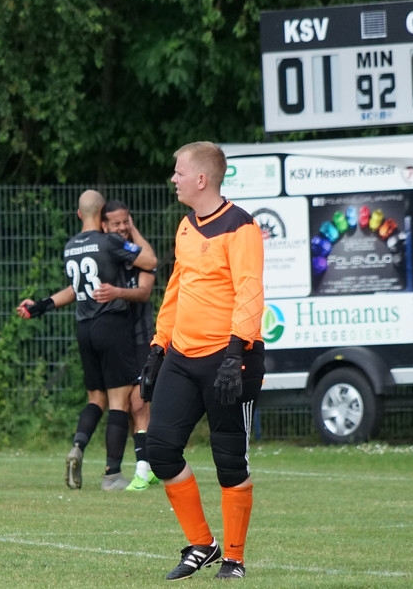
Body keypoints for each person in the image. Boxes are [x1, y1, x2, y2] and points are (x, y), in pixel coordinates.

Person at [140, 141, 265, 581]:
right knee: (160, 449)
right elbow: (177, 288)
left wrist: (235, 353)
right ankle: (202, 544)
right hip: (182, 355)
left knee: (229, 460)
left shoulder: (241, 226)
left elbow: (249, 290)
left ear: (201, 178)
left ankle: (234, 559)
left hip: (230, 359)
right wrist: (158, 347)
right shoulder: (186, 226)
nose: (173, 178)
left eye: (178, 172)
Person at [17, 190, 157, 491]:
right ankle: (112, 475)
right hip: (112, 326)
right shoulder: (109, 242)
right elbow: (149, 260)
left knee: (95, 398)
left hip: (84, 328)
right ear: (102, 213)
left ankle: (77, 446)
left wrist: (38, 306)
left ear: (79, 214)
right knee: (119, 402)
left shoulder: (71, 246)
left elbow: (73, 289)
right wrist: (130, 231)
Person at [93, 199, 160, 492]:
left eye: (126, 221)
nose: (122, 227)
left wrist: (117, 292)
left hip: (141, 336)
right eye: (116, 223)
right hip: (115, 339)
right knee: (122, 405)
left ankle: (143, 469)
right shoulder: (104, 253)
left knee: (139, 401)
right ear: (104, 226)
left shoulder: (137, 252)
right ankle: (137, 467)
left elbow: (145, 287)